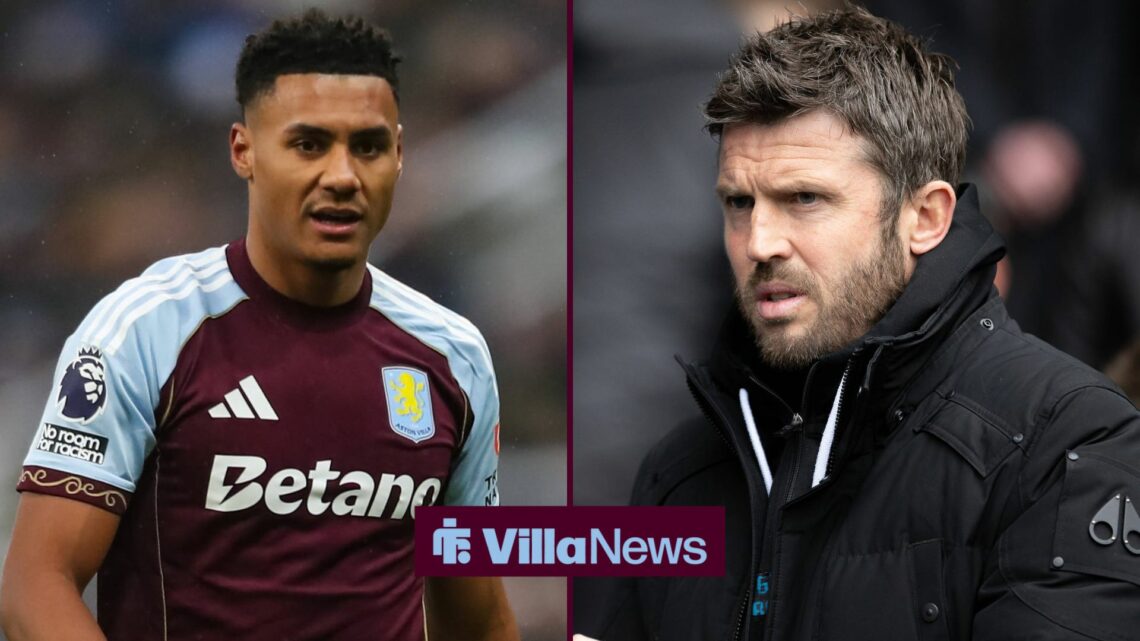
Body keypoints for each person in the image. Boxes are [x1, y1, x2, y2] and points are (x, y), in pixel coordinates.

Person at [575, 6, 1140, 641]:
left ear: (925, 217)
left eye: (805, 199)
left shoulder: (1068, 441)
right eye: (739, 202)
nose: (759, 242)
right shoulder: (678, 472)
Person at [0, 11, 518, 641]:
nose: (342, 176)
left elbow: (480, 616)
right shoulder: (145, 332)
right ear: (244, 151)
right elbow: (35, 587)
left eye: (369, 146)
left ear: (400, 156)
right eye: (308, 144)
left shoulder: (453, 355)